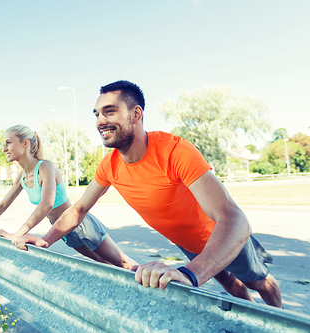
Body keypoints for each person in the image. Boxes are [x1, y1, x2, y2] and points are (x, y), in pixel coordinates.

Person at [16, 81, 283, 308]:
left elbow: (236, 220)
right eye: (96, 114)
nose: (100, 121)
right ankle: (255, 322)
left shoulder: (175, 151)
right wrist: (45, 240)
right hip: (188, 244)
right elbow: (78, 210)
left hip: (219, 238)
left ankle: (281, 322)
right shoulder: (109, 165)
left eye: (109, 112)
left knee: (259, 281)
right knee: (228, 282)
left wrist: (191, 273)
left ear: (136, 113)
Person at [0, 124, 137, 270]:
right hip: (62, 230)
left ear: (25, 143)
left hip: (79, 224)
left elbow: (46, 205)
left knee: (123, 264)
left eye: (8, 143)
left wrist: (16, 235)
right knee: (102, 265)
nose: (4, 148)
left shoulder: (45, 168)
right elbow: (3, 205)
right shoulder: (21, 176)